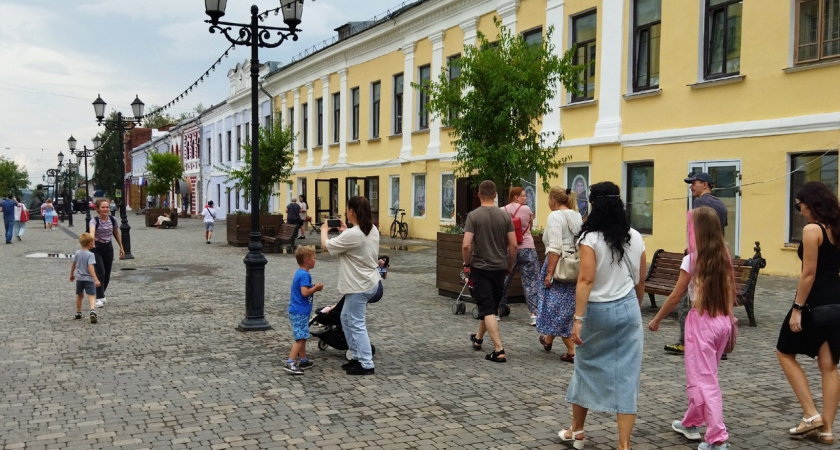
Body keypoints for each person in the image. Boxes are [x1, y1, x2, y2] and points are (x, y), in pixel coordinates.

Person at [559, 181, 646, 450]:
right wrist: (636, 308)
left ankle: (579, 430)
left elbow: (585, 280)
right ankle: (624, 445)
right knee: (627, 376)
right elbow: (640, 280)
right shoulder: (635, 236)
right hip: (628, 306)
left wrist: (577, 320)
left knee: (585, 369)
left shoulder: (590, 238)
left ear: (594, 205)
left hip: (596, 311)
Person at [648, 207, 735, 450]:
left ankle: (717, 438)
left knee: (704, 380)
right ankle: (691, 422)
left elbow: (676, 296)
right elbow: (729, 291)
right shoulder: (723, 254)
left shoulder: (692, 258)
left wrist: (657, 319)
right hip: (722, 321)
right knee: (706, 375)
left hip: (701, 323)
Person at [776, 181, 840, 446]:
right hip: (836, 302)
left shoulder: (813, 229)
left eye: (800, 205)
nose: (800, 211)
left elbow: (809, 273)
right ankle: (826, 431)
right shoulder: (837, 229)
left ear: (811, 203)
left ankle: (811, 414)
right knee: (829, 366)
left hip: (814, 302)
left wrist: (797, 309)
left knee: (784, 352)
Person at [665, 172, 729, 356]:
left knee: (687, 301)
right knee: (714, 298)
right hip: (717, 256)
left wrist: (690, 250)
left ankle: (685, 341)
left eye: (695, 183)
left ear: (706, 185)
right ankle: (719, 343)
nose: (691, 187)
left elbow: (695, 231)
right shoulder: (721, 205)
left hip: (699, 257)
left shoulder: (699, 204)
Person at [321, 196, 382, 375]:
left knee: (356, 323)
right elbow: (356, 243)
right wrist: (346, 230)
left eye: (347, 209)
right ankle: (356, 356)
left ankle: (366, 364)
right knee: (346, 318)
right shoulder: (371, 229)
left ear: (351, 212)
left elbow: (326, 246)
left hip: (359, 285)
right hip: (368, 282)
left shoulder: (354, 234)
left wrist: (324, 229)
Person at [463, 180, 517, 363]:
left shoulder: (473, 216)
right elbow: (514, 245)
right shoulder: (505, 216)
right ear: (495, 195)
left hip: (480, 267)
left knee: (487, 308)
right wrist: (509, 265)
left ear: (479, 195)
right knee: (490, 306)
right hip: (500, 268)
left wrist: (466, 263)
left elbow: (466, 245)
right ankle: (478, 339)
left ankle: (498, 349)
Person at [537, 187, 581, 363]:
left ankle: (572, 351)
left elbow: (554, 247)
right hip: (574, 265)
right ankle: (548, 339)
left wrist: (549, 273)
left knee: (554, 307)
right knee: (565, 306)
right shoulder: (576, 215)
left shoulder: (555, 216)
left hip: (559, 265)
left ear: (553, 199)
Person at [499, 187, 541, 325]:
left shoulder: (502, 210)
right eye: (523, 196)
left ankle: (496, 310)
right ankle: (534, 314)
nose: (526, 198)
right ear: (516, 197)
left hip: (508, 248)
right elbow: (530, 226)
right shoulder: (527, 210)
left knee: (503, 279)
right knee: (531, 281)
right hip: (527, 247)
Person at [285, 245, 324, 375]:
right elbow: (305, 292)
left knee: (303, 336)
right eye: (314, 258)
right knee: (300, 338)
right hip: (300, 311)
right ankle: (291, 362)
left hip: (299, 310)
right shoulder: (304, 275)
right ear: (307, 260)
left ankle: (303, 360)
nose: (315, 260)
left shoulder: (300, 272)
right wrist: (316, 288)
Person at [88, 199, 125, 308]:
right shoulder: (94, 221)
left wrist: (121, 247)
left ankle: (100, 294)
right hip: (96, 248)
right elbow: (92, 232)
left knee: (107, 275)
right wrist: (92, 241)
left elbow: (116, 234)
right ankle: (99, 298)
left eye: (107, 207)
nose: (105, 209)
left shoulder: (113, 220)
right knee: (101, 273)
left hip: (108, 248)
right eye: (103, 207)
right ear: (98, 209)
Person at [70, 233, 102, 324]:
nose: (93, 243)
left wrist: (72, 274)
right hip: (88, 278)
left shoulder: (77, 253)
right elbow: (90, 267)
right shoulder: (90, 255)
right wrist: (95, 279)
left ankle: (78, 312)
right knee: (91, 295)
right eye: (92, 241)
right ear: (89, 243)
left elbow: (74, 264)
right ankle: (92, 311)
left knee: (80, 295)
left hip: (79, 278)